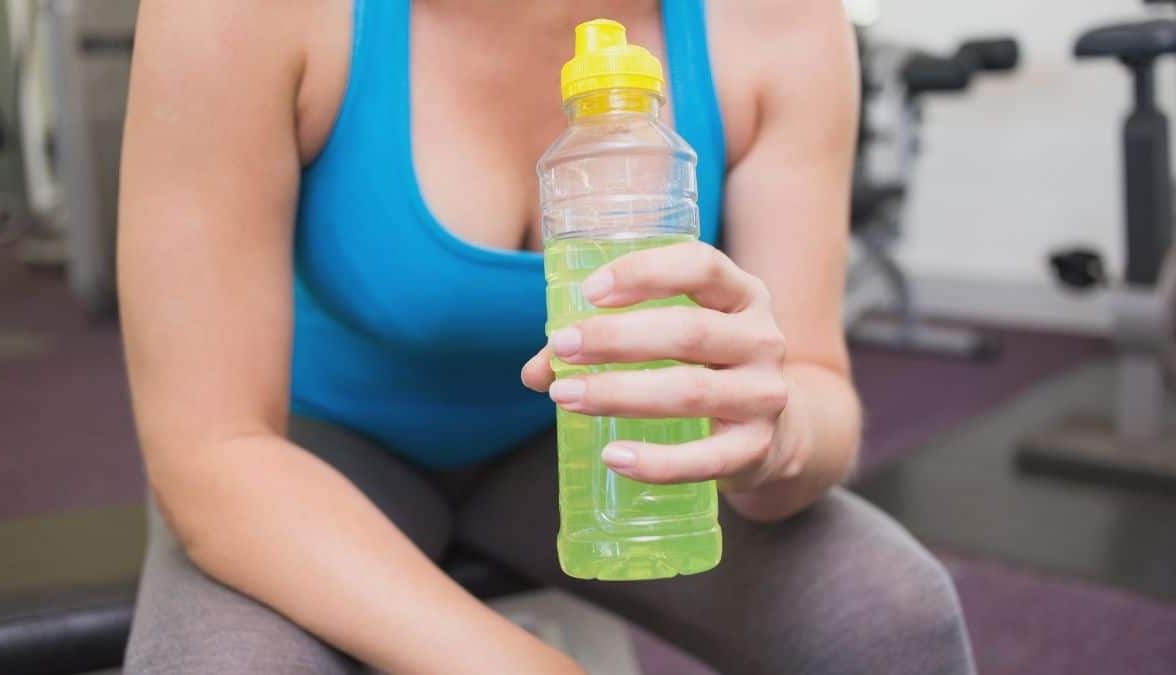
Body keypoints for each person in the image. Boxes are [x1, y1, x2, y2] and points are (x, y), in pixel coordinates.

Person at [118, 1, 974, 673]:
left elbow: (819, 382)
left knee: (892, 616)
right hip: (313, 450)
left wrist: (774, 433)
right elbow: (211, 447)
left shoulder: (771, 17)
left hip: (594, 441)